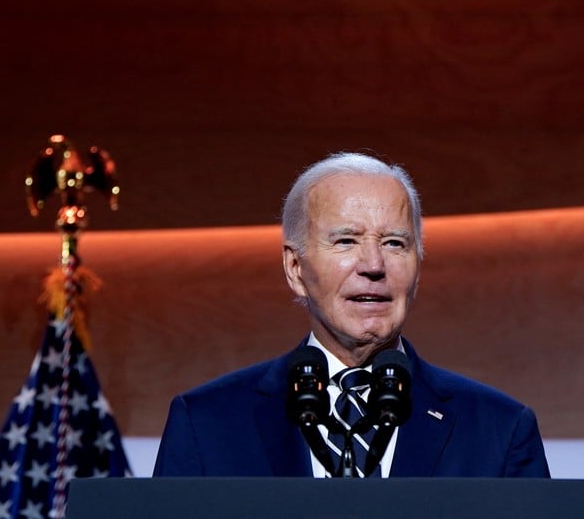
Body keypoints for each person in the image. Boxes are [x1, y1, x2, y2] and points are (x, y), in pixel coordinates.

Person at [153, 152, 550, 478]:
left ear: (418, 267)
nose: (374, 264)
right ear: (295, 269)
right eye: (346, 240)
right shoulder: (207, 424)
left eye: (395, 243)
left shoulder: (500, 430)